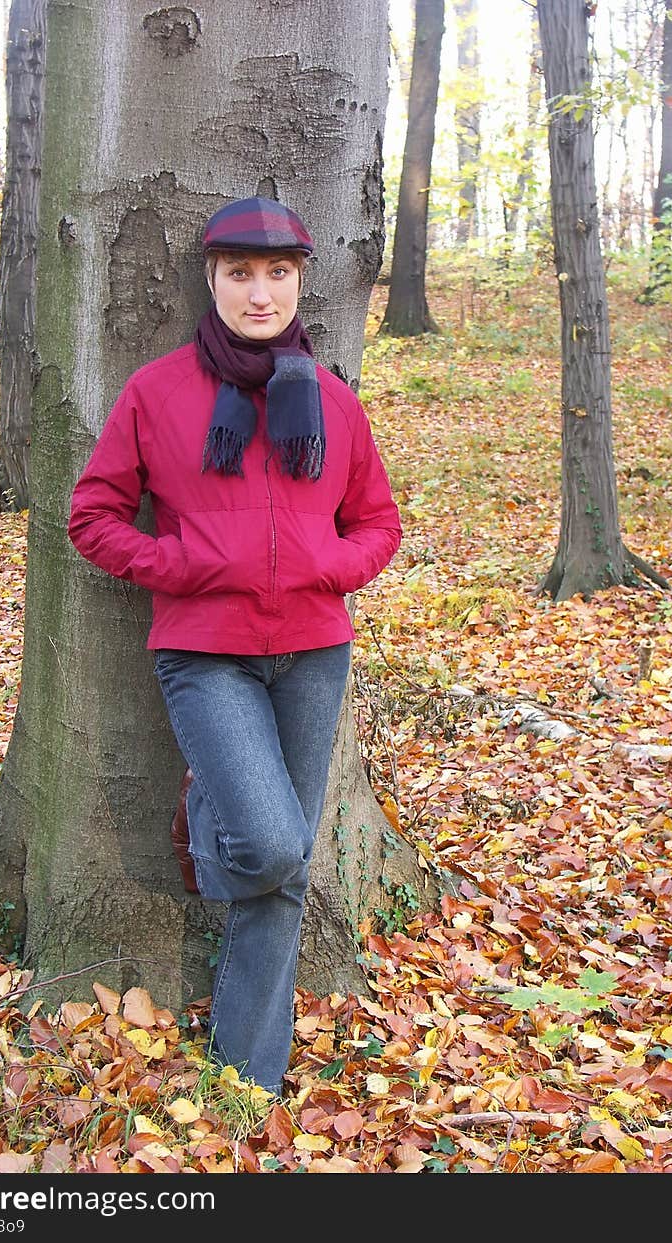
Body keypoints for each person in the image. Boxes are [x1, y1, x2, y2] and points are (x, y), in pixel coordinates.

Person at [67, 196, 402, 1098]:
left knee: (282, 872)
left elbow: (378, 521)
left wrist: (331, 563)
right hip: (204, 650)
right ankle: (210, 810)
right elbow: (92, 517)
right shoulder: (159, 391)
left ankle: (245, 1078)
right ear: (211, 279)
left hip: (313, 650)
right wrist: (177, 560)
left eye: (279, 275)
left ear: (300, 282)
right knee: (271, 842)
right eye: (241, 274)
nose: (261, 294)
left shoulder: (331, 398)